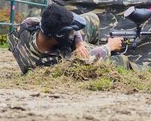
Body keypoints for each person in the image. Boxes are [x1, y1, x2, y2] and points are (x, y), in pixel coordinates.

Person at [8, 4, 141, 74]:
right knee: (120, 60)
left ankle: (90, 45)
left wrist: (79, 43)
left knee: (92, 18)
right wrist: (109, 47)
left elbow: (69, 30)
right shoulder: (43, 64)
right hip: (70, 56)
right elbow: (83, 61)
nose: (74, 33)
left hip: (60, 45)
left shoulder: (30, 24)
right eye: (70, 33)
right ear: (59, 36)